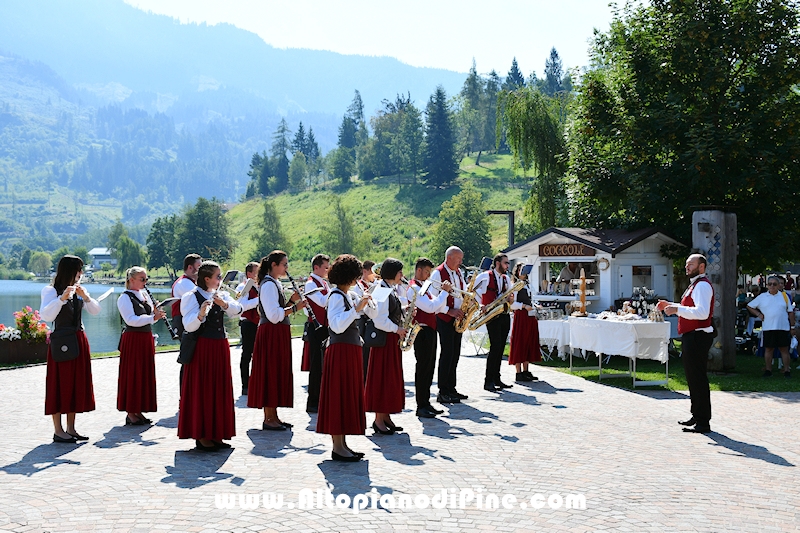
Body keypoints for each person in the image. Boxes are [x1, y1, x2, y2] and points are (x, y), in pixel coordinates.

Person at [178, 261, 242, 451]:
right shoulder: (191, 296)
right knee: (204, 389)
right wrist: (200, 315)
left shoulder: (220, 295)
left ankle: (217, 433)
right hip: (202, 348)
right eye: (218, 277)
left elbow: (238, 310)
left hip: (219, 346)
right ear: (207, 279)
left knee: (219, 389)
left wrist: (224, 304)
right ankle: (202, 434)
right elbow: (188, 326)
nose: (221, 280)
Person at [317, 254, 373, 462]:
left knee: (346, 396)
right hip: (340, 351)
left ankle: (342, 444)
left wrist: (364, 303)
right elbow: (337, 325)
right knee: (339, 397)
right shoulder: (336, 296)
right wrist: (357, 310)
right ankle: (337, 447)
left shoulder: (346, 295)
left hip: (348, 350)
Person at [40, 255, 100, 443]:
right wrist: (61, 298)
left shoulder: (80, 290)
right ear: (70, 271)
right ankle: (58, 430)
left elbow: (96, 311)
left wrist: (86, 297)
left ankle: (71, 428)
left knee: (75, 383)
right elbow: (46, 316)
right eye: (79, 270)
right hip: (61, 341)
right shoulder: (50, 291)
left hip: (78, 338)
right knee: (59, 383)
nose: (81, 274)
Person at [247, 251, 306, 430]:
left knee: (277, 371)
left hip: (277, 333)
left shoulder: (275, 283)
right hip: (271, 333)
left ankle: (274, 415)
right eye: (284, 264)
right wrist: (296, 308)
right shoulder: (268, 285)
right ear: (274, 265)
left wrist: (291, 301)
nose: (286, 268)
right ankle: (268, 418)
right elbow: (274, 316)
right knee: (270, 372)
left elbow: (279, 310)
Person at [656, 253, 714, 434]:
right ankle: (697, 415)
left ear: (701, 267)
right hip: (692, 336)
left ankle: (703, 421)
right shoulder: (695, 285)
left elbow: (702, 313)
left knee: (697, 378)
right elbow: (691, 308)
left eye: (691, 264)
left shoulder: (702, 286)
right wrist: (671, 305)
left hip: (698, 336)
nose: (687, 267)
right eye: (687, 264)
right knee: (692, 378)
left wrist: (677, 309)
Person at [117, 266, 166, 426]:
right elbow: (130, 319)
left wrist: (156, 310)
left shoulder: (144, 294)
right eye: (142, 279)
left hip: (145, 337)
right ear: (131, 280)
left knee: (144, 373)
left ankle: (139, 410)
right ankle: (131, 412)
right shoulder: (124, 298)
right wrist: (153, 317)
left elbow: (150, 314)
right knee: (133, 373)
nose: (146, 282)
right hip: (133, 338)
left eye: (146, 279)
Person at [364, 258, 408, 434]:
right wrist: (397, 329)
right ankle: (378, 420)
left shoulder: (388, 289)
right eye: (400, 272)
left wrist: (404, 310)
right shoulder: (382, 290)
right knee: (383, 378)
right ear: (392, 273)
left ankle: (386, 415)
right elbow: (379, 319)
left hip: (390, 339)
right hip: (385, 340)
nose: (402, 276)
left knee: (390, 378)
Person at [407, 257, 451, 418]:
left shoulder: (424, 286)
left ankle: (426, 402)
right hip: (422, 331)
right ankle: (421, 405)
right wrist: (444, 292)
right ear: (418, 270)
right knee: (423, 368)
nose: (428, 275)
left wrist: (442, 295)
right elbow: (430, 307)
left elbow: (437, 306)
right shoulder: (413, 288)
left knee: (429, 367)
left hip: (430, 330)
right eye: (426, 272)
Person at [429, 246, 467, 404]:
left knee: (455, 353)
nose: (461, 262)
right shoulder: (438, 273)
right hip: (444, 318)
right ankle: (443, 391)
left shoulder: (457, 272)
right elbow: (433, 296)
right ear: (450, 258)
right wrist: (448, 310)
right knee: (447, 353)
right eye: (459, 259)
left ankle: (451, 388)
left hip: (457, 318)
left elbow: (463, 291)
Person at [474, 254, 515, 392]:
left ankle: (496, 378)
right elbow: (473, 291)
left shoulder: (506, 278)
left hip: (504, 314)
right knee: (495, 346)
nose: (507, 266)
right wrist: (481, 306)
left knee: (501, 347)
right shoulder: (484, 276)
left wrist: (510, 299)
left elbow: (510, 298)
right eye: (505, 263)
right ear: (497, 263)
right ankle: (488, 380)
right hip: (492, 315)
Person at [747, 275, 795, 378]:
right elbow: (750, 306)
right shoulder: (762, 296)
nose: (772, 286)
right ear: (767, 285)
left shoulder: (784, 296)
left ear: (778, 286)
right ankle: (768, 370)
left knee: (784, 349)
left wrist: (792, 327)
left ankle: (787, 370)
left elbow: (790, 312)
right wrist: (759, 314)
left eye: (774, 284)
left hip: (783, 327)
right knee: (769, 349)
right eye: (770, 284)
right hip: (768, 327)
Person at [301, 254, 330, 413]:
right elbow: (323, 302)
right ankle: (313, 402)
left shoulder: (323, 283)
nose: (327, 270)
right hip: (316, 328)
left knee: (323, 365)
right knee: (316, 366)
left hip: (324, 327)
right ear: (316, 267)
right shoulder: (311, 284)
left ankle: (321, 399)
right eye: (325, 267)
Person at [171, 253, 201, 393]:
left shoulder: (191, 282)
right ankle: (184, 394)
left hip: (188, 320)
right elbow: (199, 298)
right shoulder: (184, 283)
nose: (201, 270)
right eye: (199, 267)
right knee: (187, 356)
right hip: (183, 322)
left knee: (194, 356)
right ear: (190, 267)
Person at [508, 263, 542, 382]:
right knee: (520, 342)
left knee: (528, 342)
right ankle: (518, 372)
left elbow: (531, 299)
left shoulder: (527, 285)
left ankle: (526, 370)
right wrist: (524, 306)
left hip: (529, 316)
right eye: (522, 270)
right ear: (517, 272)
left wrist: (535, 305)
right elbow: (512, 304)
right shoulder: (515, 286)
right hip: (521, 316)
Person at [236, 262, 261, 396]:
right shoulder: (243, 287)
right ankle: (245, 385)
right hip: (248, 324)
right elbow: (242, 305)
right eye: (257, 272)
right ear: (249, 274)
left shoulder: (260, 286)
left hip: (259, 323)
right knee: (247, 354)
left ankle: (257, 382)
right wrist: (259, 300)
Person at [352, 260, 376, 379]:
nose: (375, 274)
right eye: (372, 271)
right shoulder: (358, 286)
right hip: (361, 320)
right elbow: (359, 306)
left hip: (370, 320)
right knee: (364, 352)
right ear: (364, 271)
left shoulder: (372, 284)